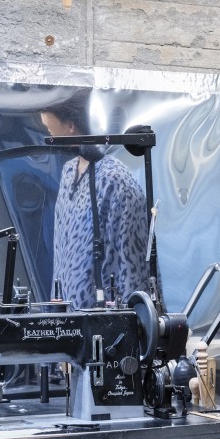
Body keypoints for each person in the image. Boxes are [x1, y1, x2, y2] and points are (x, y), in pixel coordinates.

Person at [41, 90, 151, 310]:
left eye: (48, 124)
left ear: (70, 125)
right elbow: (61, 252)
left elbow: (132, 261)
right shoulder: (68, 171)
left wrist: (131, 318)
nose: (46, 129)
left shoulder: (116, 181)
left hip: (102, 316)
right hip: (68, 314)